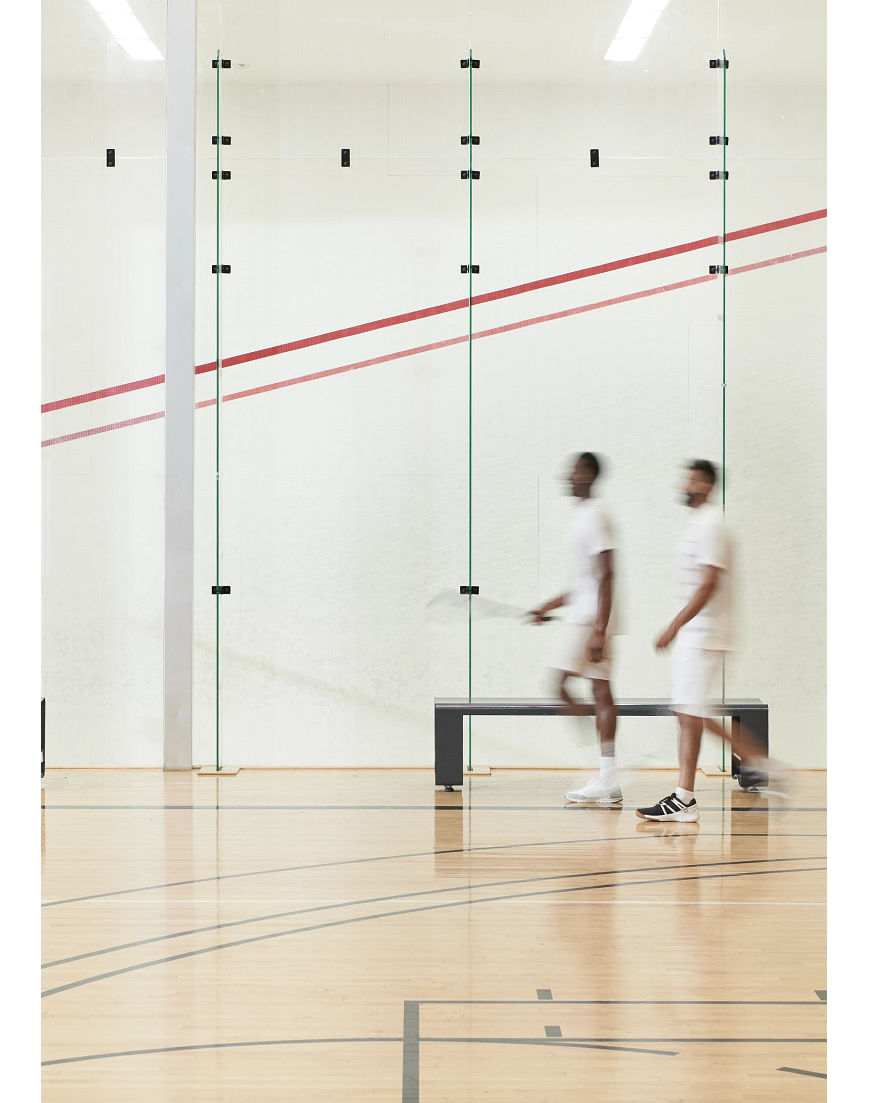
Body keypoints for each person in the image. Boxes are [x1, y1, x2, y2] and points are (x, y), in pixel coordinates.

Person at [637, 459, 747, 822]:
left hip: (704, 633)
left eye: (691, 480)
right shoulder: (699, 522)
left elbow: (709, 583)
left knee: (689, 711)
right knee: (688, 712)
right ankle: (685, 797)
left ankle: (761, 764)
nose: (685, 485)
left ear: (706, 485)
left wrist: (674, 625)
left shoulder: (712, 523)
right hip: (697, 634)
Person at [530, 452, 621, 804]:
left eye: (574, 472)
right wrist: (547, 606)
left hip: (589, 620)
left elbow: (607, 574)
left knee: (562, 687)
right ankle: (608, 775)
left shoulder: (596, 515)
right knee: (599, 692)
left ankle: (607, 769)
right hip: (586, 614)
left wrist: (599, 628)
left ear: (588, 476)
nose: (568, 476)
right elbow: (583, 584)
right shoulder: (583, 516)